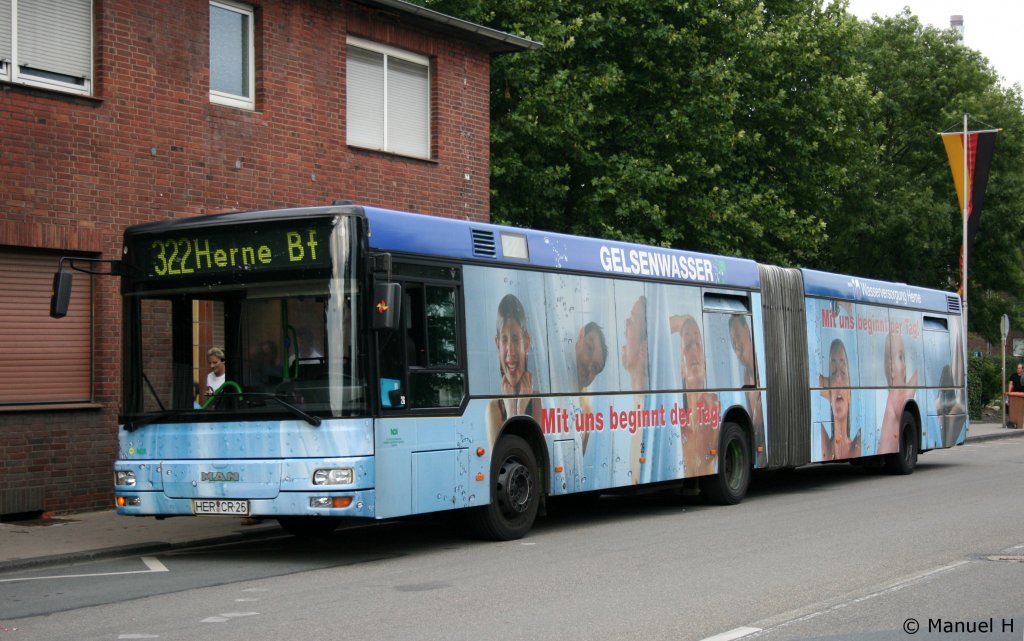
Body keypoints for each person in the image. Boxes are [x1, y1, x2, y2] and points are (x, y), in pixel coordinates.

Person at [487, 294, 542, 443]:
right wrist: (512, 410)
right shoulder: (494, 407)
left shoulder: (535, 400)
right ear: (498, 344)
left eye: (516, 339)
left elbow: (533, 453)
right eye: (504, 340)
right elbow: (500, 459)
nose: (510, 351)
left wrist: (521, 407)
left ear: (527, 343)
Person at [670, 314, 720, 476]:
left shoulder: (714, 405)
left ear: (705, 365)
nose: (694, 350)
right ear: (681, 369)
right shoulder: (674, 418)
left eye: (698, 344)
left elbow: (704, 454)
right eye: (688, 345)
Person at [729, 314, 764, 466]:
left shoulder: (762, 367)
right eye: (732, 340)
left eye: (737, 335)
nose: (736, 344)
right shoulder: (745, 376)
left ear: (747, 330)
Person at [819, 338, 861, 460]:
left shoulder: (858, 445)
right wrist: (831, 391)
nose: (837, 379)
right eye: (833, 374)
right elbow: (807, 378)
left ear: (850, 394)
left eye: (843, 373)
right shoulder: (824, 445)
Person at [879, 331, 918, 453]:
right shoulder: (896, 396)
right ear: (891, 369)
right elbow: (914, 383)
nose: (905, 365)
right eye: (900, 358)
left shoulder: (893, 395)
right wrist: (920, 371)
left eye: (904, 359)